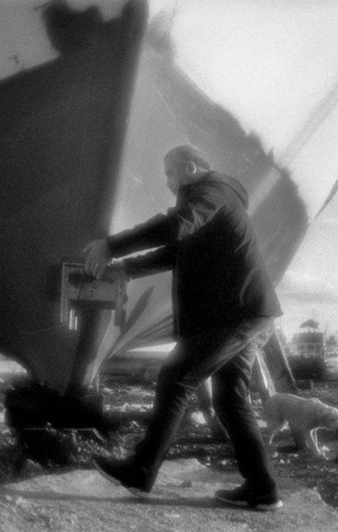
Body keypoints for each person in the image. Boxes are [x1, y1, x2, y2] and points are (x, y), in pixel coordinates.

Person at [81, 145, 283, 510]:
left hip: (235, 313)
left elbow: (175, 227)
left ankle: (141, 471)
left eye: (170, 174)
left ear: (190, 167)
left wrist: (113, 246)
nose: (168, 183)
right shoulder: (211, 201)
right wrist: (127, 267)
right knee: (230, 398)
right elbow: (177, 249)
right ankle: (262, 488)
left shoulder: (213, 190)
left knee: (176, 376)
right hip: (244, 312)